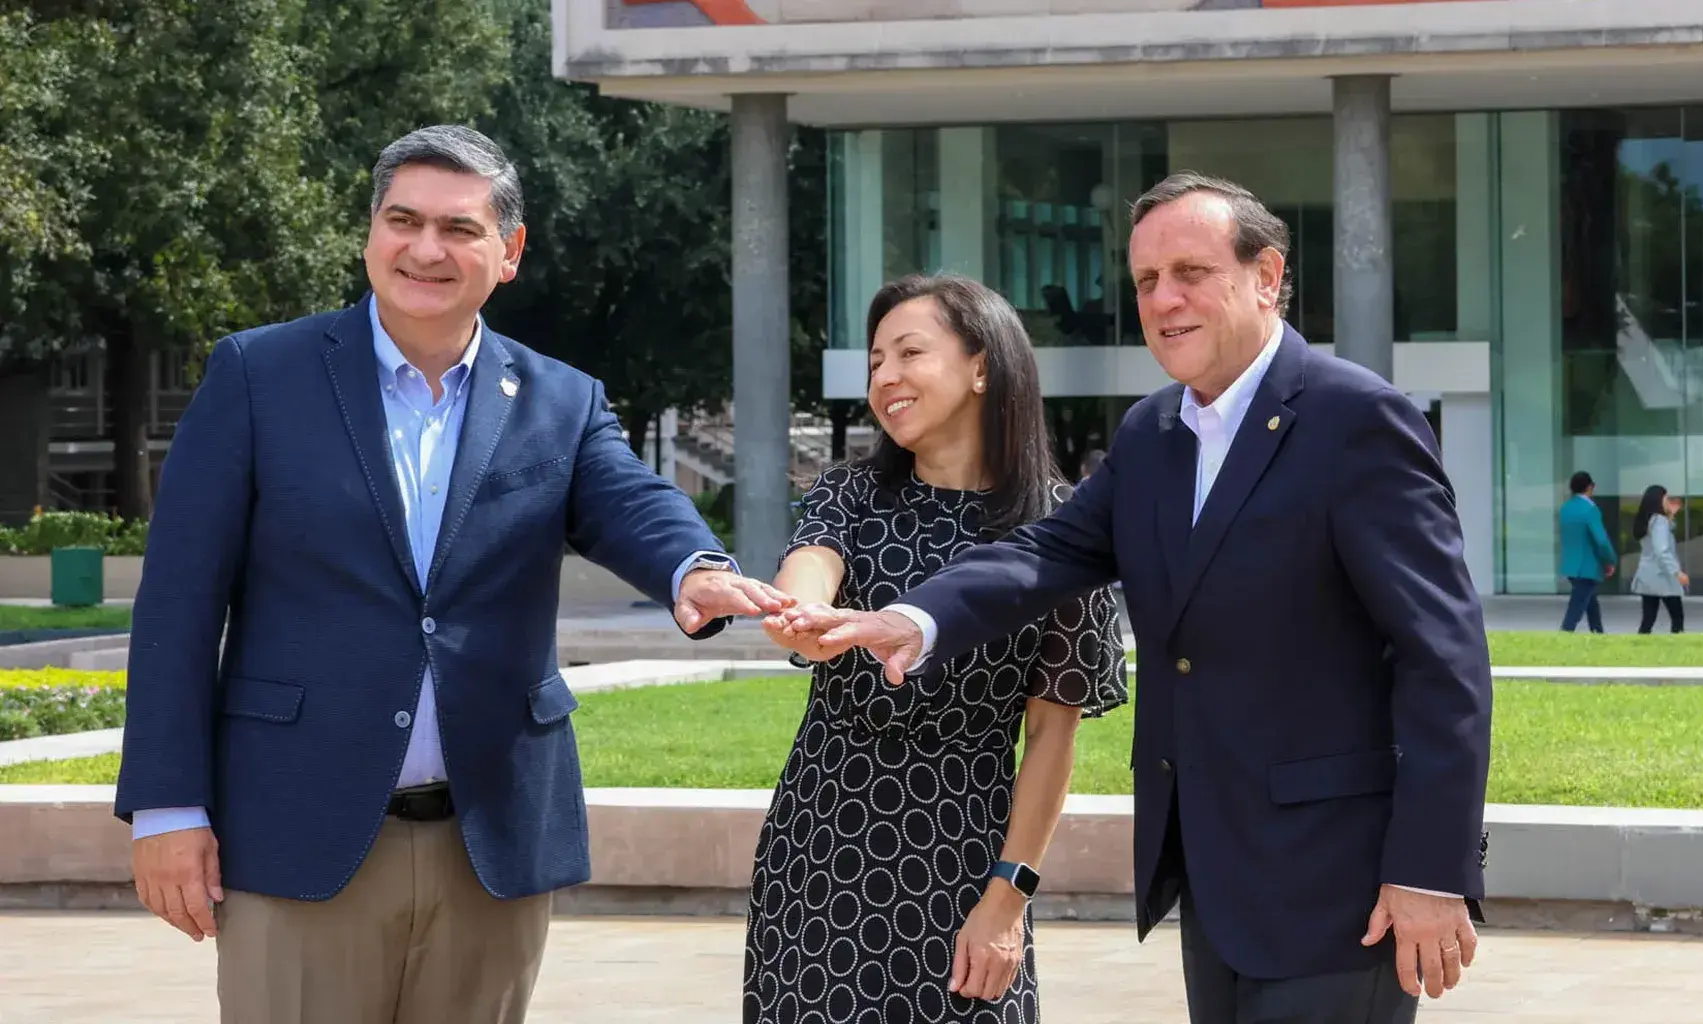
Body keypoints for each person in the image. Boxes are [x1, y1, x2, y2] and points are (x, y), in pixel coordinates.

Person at [773, 172, 1491, 1024]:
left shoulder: (1356, 420)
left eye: (1191, 272)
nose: (1164, 299)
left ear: (1267, 276)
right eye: (1147, 280)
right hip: (1215, 882)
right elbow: (1049, 550)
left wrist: (1430, 869)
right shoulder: (1152, 433)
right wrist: (914, 618)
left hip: (1343, 887)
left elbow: (1443, 659)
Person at [112, 125, 791, 1024]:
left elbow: (631, 501)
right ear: (370, 233)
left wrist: (694, 569)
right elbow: (178, 606)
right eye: (404, 220)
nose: (425, 249)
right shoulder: (257, 376)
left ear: (509, 252)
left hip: (490, 845)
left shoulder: (561, 398)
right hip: (296, 830)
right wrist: (166, 808)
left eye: (459, 229)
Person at [748, 274, 1127, 1023]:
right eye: (875, 362)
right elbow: (810, 569)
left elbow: (1051, 739)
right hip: (820, 845)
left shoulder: (1061, 531)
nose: (885, 377)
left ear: (982, 366)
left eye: (909, 353)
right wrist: (803, 615)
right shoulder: (850, 494)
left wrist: (1008, 896)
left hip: (966, 857)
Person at [1557, 471, 1616, 633]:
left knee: (1591, 603)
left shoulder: (1566, 508)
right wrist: (1610, 560)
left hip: (1571, 565)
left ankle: (1598, 633)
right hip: (1587, 566)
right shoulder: (1590, 509)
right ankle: (1565, 634)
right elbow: (1601, 540)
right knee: (1577, 606)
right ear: (1590, 487)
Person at [1628, 485, 1687, 634]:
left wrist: (1670, 515)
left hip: (1647, 574)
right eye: (1665, 498)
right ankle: (1678, 645)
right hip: (1662, 575)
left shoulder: (1649, 519)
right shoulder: (1659, 520)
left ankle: (1639, 644)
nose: (1667, 501)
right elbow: (1662, 550)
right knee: (1677, 617)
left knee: (1648, 618)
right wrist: (1677, 572)